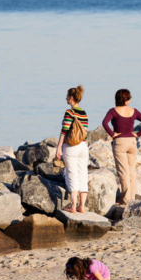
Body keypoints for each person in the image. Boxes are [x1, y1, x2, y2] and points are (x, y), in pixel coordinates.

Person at [102, 89, 141, 204]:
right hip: (132, 142)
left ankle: (125, 199)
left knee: (123, 171)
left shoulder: (113, 111)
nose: (130, 99)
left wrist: (112, 134)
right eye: (129, 97)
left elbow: (104, 123)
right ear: (125, 99)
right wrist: (138, 134)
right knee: (131, 172)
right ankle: (131, 198)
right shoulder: (133, 111)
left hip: (120, 142)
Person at [55, 85, 89, 213]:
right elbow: (84, 132)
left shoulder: (69, 112)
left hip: (71, 147)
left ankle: (73, 206)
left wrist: (58, 148)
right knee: (83, 174)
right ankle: (82, 206)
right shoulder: (84, 113)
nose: (66, 98)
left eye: (67, 96)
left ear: (72, 98)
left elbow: (64, 131)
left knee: (72, 174)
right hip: (83, 146)